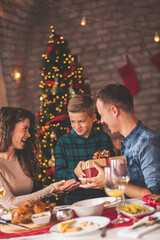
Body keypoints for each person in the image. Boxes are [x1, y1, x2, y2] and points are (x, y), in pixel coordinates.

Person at [80, 84, 160, 199]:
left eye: (102, 115)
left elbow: (155, 196)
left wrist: (111, 181)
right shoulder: (127, 143)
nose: (101, 121)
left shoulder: (148, 142)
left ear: (114, 111)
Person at [0, 107, 79, 209]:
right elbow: (10, 203)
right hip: (8, 223)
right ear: (9, 128)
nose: (28, 135)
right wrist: (51, 189)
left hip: (30, 217)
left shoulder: (22, 157)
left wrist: (59, 188)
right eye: (24, 128)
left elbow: (33, 192)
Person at [55, 94, 115, 204]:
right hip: (75, 201)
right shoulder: (63, 142)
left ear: (93, 118)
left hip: (104, 199)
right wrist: (74, 172)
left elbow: (114, 167)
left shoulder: (103, 138)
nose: (77, 126)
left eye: (81, 121)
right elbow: (58, 175)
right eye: (73, 121)